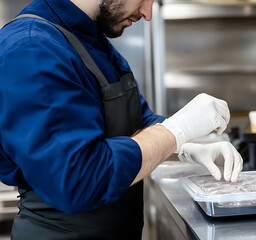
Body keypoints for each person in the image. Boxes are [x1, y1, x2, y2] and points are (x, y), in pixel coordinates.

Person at [0, 0, 243, 239]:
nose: (147, 13)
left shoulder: (90, 38)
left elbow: (137, 124)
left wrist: (187, 148)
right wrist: (176, 131)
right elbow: (77, 181)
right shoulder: (32, 49)